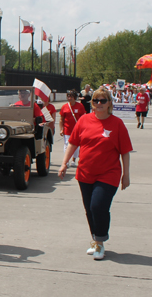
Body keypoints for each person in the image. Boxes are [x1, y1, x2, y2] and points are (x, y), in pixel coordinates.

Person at [58, 88, 132, 260]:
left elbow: (125, 151)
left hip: (109, 174)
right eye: (96, 101)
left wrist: (126, 175)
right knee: (89, 209)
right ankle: (96, 240)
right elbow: (73, 143)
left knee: (98, 206)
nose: (99, 104)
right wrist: (64, 164)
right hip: (85, 173)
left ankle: (99, 242)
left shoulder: (117, 124)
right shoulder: (84, 120)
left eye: (103, 101)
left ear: (109, 103)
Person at [59, 90, 86, 167]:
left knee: (76, 145)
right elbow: (61, 119)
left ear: (75, 98)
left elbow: (83, 118)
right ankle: (66, 161)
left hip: (77, 130)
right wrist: (61, 129)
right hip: (67, 129)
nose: (69, 98)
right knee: (67, 145)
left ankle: (73, 159)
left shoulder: (80, 106)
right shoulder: (64, 106)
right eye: (68, 96)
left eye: (71, 96)